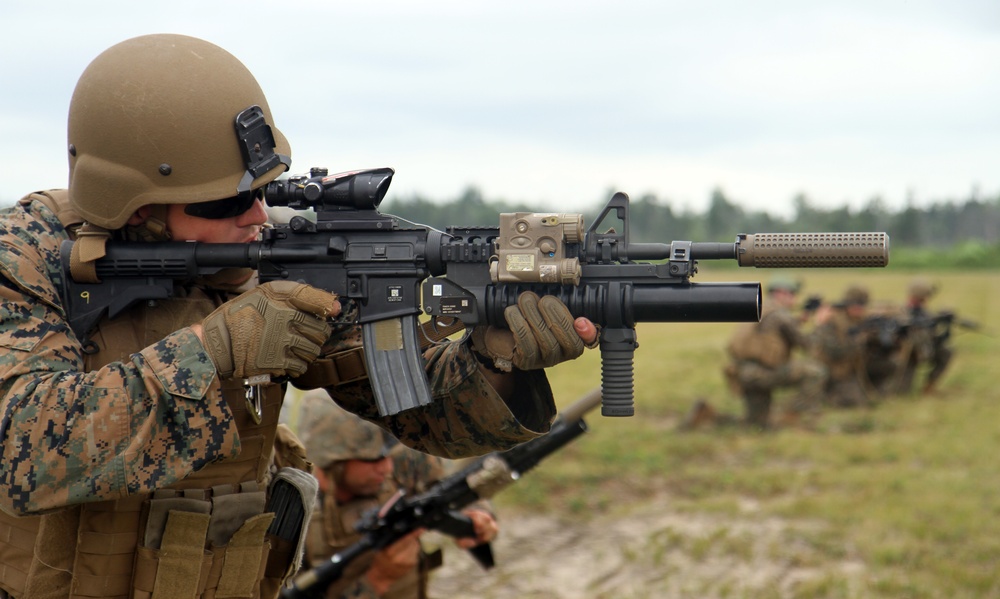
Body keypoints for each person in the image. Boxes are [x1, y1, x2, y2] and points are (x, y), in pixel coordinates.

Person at [0, 34, 596, 599]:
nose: (258, 214)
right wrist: (211, 352)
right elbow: (23, 453)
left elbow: (424, 415)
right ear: (133, 205)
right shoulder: (28, 259)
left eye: (264, 189)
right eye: (227, 199)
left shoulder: (281, 259)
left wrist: (495, 358)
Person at [298, 390, 497, 598]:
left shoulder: (402, 461)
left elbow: (449, 488)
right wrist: (378, 578)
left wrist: (476, 515)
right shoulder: (294, 514)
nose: (386, 467)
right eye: (372, 460)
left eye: (387, 455)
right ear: (331, 461)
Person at [719, 277, 827, 429]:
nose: (794, 299)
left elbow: (776, 329)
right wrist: (820, 324)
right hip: (763, 373)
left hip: (745, 373)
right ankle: (795, 416)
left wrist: (802, 318)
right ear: (780, 293)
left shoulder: (760, 308)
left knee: (756, 424)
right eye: (792, 294)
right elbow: (807, 344)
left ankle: (707, 415)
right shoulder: (780, 314)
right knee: (815, 372)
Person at [809, 285, 874, 408]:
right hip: (832, 371)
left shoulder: (862, 319)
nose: (859, 309)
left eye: (862, 305)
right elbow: (835, 351)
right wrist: (859, 340)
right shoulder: (832, 320)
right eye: (856, 305)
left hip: (850, 370)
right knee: (853, 402)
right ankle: (827, 395)